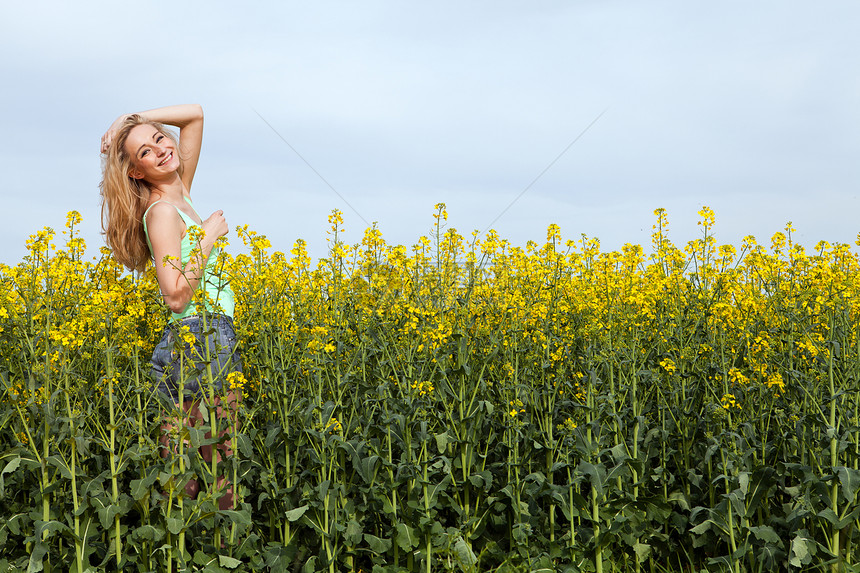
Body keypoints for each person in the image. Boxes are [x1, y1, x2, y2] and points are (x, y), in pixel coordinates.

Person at [99, 104, 239, 510]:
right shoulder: (162, 211)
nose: (160, 149)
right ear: (136, 172)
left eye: (160, 138)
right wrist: (207, 239)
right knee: (201, 475)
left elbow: (194, 115)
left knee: (204, 471)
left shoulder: (182, 192)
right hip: (198, 336)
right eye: (145, 151)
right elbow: (175, 295)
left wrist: (127, 120)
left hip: (210, 335)